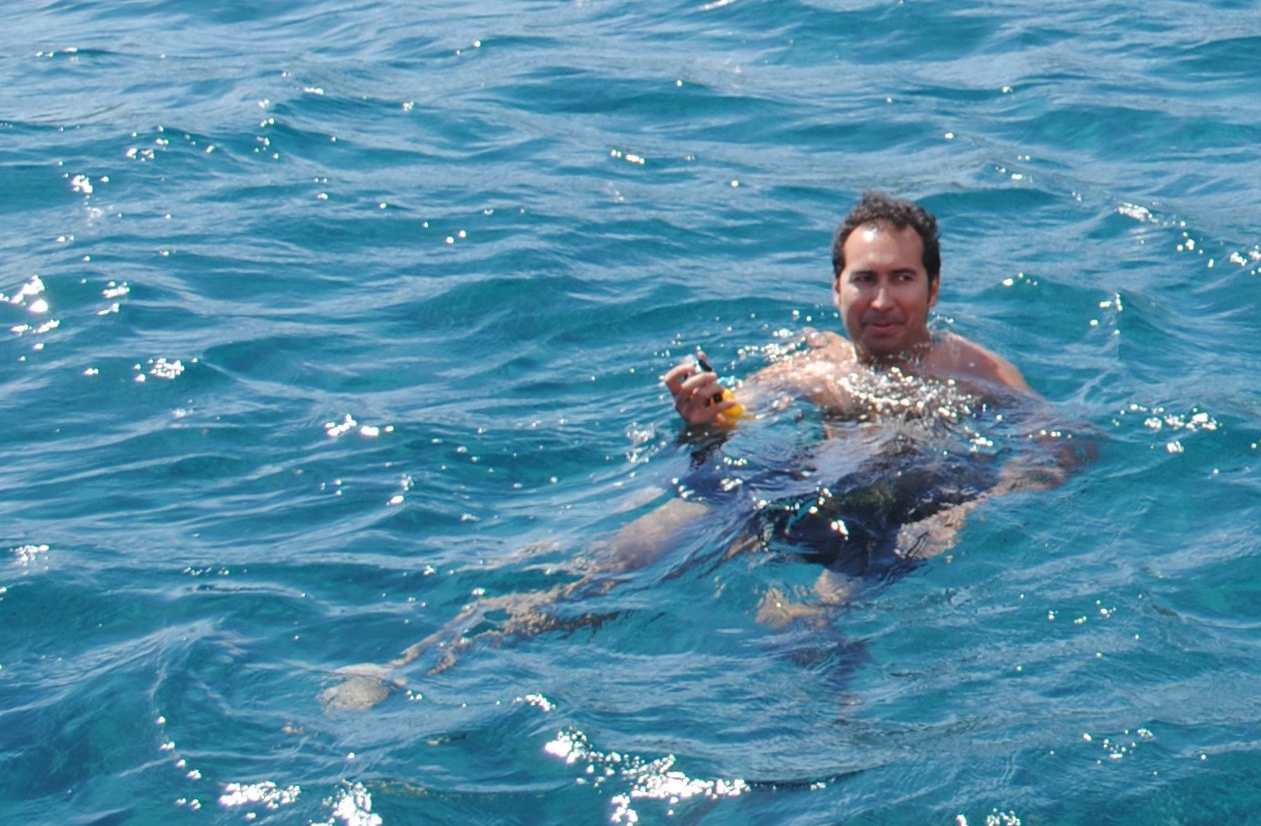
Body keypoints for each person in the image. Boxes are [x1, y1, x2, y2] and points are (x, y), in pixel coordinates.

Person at [326, 191, 1080, 709]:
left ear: (934, 286)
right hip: (788, 484)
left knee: (800, 623)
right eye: (865, 279)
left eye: (902, 279)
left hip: (904, 508)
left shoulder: (973, 371)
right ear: (836, 287)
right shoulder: (810, 364)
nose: (882, 300)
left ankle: (814, 756)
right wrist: (699, 416)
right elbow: (728, 421)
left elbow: (1056, 443)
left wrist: (978, 506)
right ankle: (417, 664)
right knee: (611, 560)